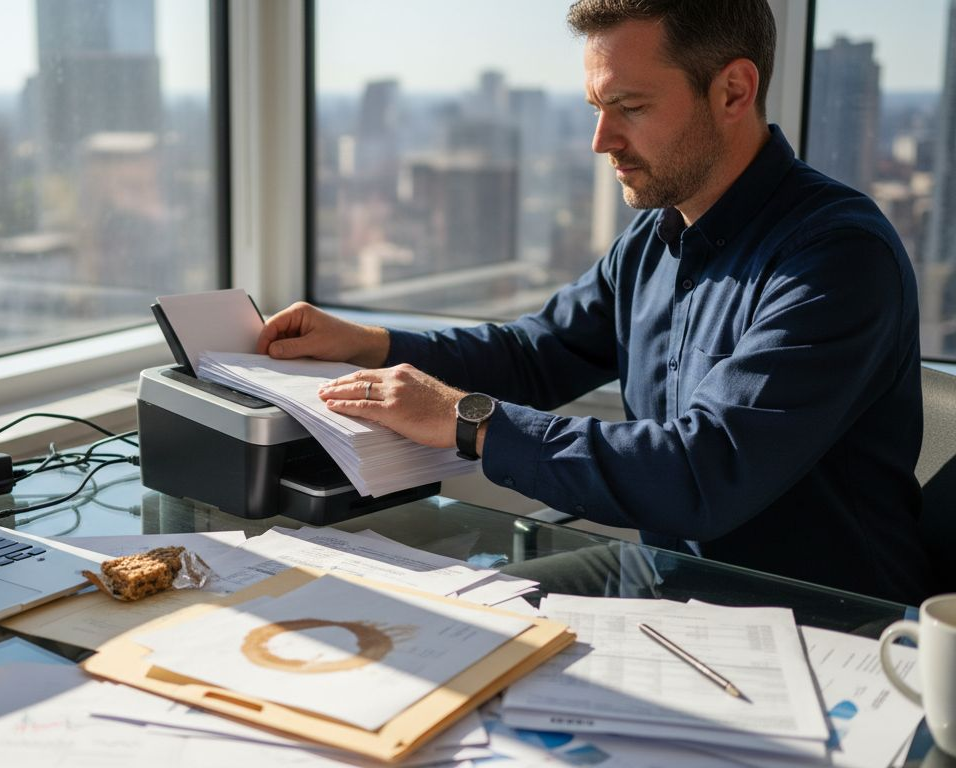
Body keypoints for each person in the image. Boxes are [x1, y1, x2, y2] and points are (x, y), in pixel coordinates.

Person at [256, 0, 932, 604]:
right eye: (596, 108)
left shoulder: (837, 256)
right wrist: (370, 344)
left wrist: (471, 424)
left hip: (829, 622)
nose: (601, 141)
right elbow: (538, 354)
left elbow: (703, 473)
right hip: (669, 582)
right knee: (439, 614)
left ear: (732, 90)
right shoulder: (654, 238)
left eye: (631, 107)